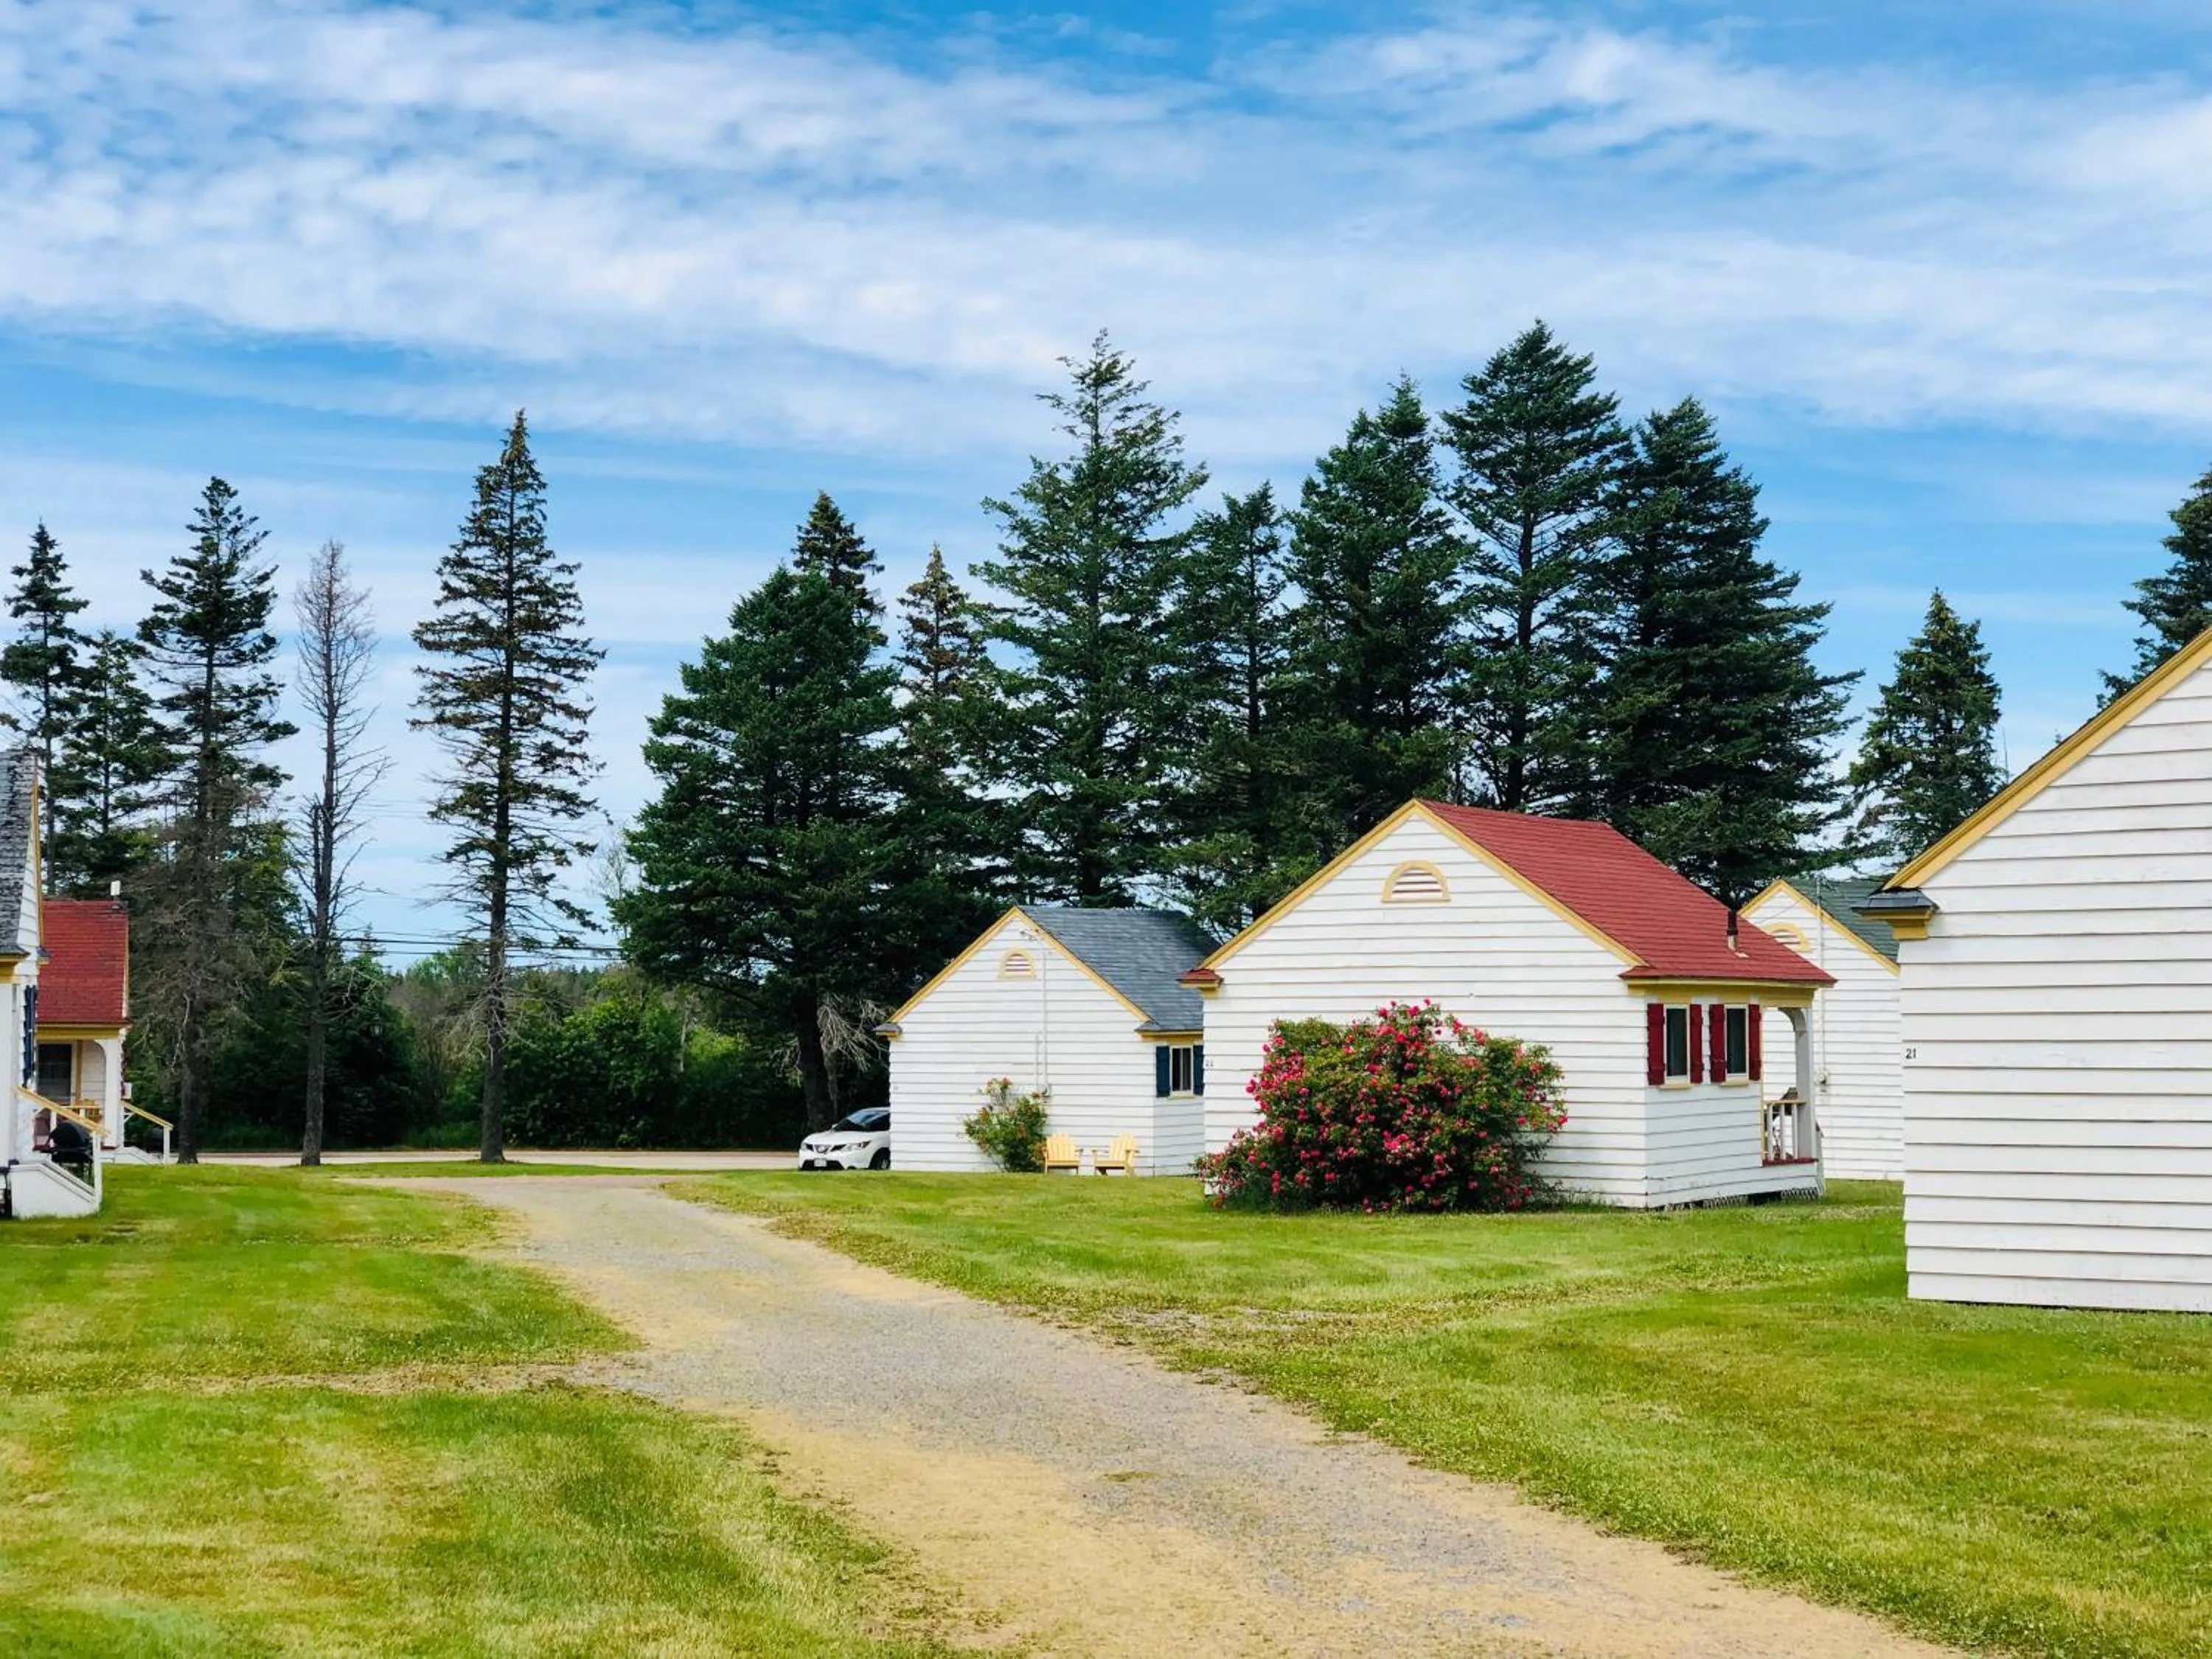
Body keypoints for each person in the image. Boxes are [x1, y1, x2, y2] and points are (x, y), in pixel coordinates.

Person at [46, 1113, 92, 1180]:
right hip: (79, 1153)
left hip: (68, 1154)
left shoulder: (63, 1127)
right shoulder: (76, 1126)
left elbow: (50, 1138)